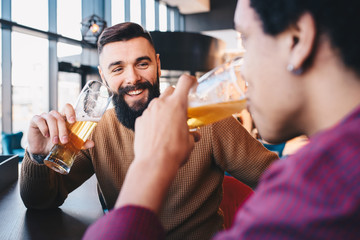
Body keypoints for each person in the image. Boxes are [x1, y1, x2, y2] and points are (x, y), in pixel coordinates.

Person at [83, 0, 360, 239]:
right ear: (103, 74)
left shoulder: (315, 201)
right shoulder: (326, 177)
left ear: (297, 40)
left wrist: (150, 164)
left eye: (246, 41)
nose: (240, 72)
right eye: (118, 68)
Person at [20, 22, 278, 239]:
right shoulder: (95, 131)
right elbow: (41, 200)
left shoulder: (206, 117)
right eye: (118, 68)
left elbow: (276, 181)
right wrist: (37, 155)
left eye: (142, 64)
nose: (132, 78)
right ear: (103, 74)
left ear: (157, 64)